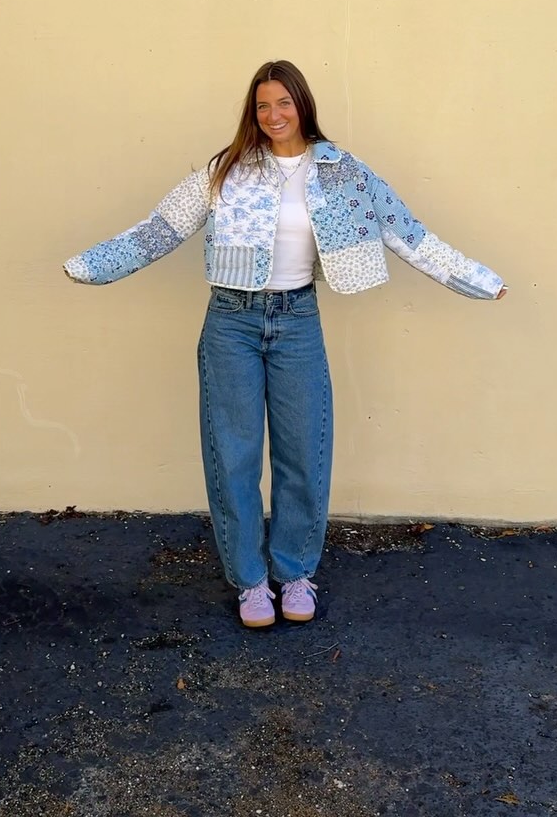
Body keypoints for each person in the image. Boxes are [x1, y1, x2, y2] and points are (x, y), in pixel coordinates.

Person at [63, 60, 507, 629]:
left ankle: (295, 572)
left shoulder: (343, 171)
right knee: (233, 456)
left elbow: (410, 234)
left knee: (305, 453)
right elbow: (158, 229)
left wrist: (480, 282)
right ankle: (250, 582)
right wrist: (90, 267)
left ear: (303, 105)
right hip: (231, 322)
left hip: (297, 321)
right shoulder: (227, 170)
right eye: (262, 106)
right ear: (253, 113)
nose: (273, 115)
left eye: (283, 103)